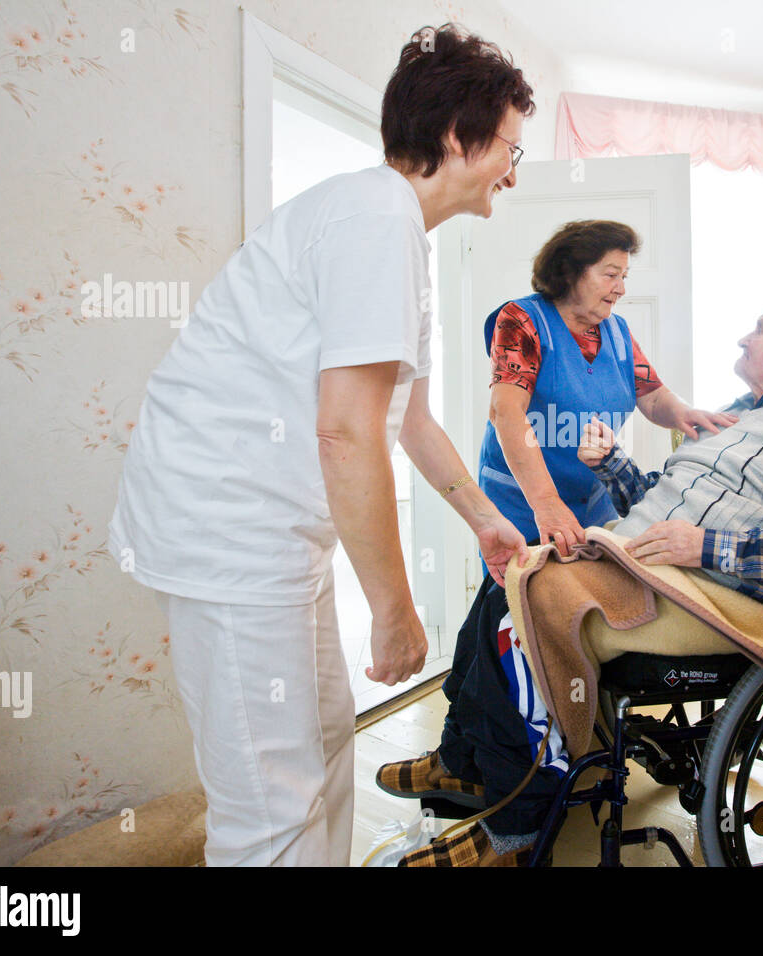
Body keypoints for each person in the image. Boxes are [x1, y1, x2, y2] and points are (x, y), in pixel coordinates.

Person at [107, 24, 533, 867]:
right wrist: (394, 609)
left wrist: (483, 520)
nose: (513, 172)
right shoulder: (372, 221)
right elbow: (343, 430)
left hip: (269, 533)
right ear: (457, 137)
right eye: (509, 149)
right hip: (225, 529)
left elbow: (404, 418)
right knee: (270, 801)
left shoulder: (392, 230)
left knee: (324, 741)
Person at [381, 295, 763, 866]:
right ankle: (464, 762)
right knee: (505, 582)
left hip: (703, 591)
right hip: (640, 558)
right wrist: (612, 464)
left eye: (759, 330)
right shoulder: (738, 416)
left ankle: (516, 830)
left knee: (526, 601)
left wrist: (710, 547)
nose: (744, 338)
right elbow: (662, 505)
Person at [478, 220, 735, 558]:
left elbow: (654, 396)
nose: (621, 289)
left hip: (594, 504)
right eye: (611, 275)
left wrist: (686, 414)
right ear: (569, 272)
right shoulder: (524, 320)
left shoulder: (616, 330)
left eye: (624, 277)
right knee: (522, 604)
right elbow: (505, 411)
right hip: (524, 505)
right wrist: (546, 503)